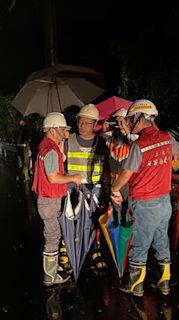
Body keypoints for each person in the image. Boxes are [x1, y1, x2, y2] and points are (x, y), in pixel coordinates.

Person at [110, 99, 179, 298]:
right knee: (162, 241)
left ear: (141, 118)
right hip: (164, 203)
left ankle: (135, 286)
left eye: (133, 118)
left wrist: (115, 189)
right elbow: (178, 151)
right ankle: (164, 283)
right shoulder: (167, 137)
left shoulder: (139, 145)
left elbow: (126, 174)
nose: (131, 121)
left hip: (145, 204)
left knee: (140, 245)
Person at [31, 112, 81, 286]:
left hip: (47, 199)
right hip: (50, 200)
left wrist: (61, 142)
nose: (66, 132)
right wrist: (73, 177)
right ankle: (50, 276)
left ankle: (51, 269)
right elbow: (53, 177)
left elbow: (61, 159)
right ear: (53, 130)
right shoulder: (50, 150)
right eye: (63, 129)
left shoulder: (46, 146)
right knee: (53, 236)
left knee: (53, 234)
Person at [66, 104, 111, 274]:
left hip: (95, 189)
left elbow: (106, 165)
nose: (82, 126)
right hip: (73, 188)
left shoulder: (102, 142)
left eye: (87, 123)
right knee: (73, 220)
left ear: (95, 124)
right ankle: (70, 252)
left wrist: (107, 187)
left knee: (94, 221)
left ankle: (95, 250)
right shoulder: (67, 140)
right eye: (80, 122)